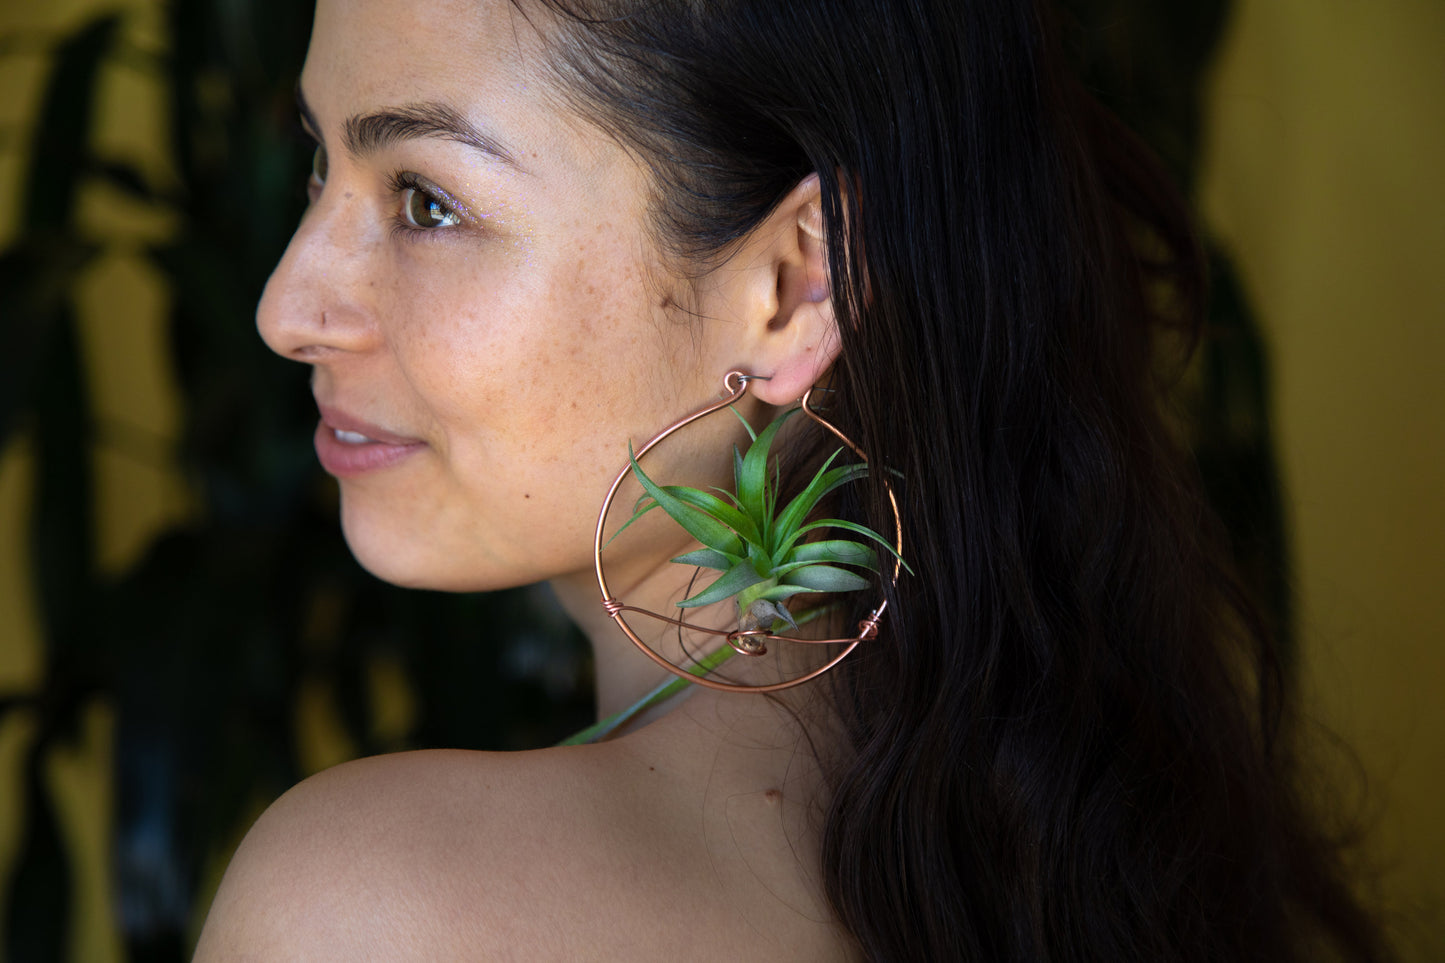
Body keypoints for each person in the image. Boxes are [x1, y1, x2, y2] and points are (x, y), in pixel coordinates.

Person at [193, 0, 1390, 959]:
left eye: (426, 201)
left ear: (792, 288)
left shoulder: (375, 910)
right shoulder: (1099, 854)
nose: (287, 308)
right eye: (317, 163)